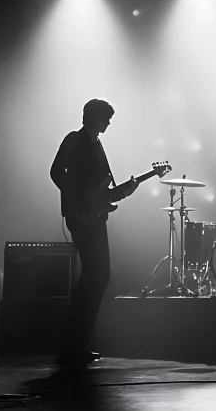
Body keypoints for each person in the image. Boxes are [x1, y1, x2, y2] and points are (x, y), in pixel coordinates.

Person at [50, 98, 137, 367]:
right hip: (80, 216)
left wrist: (125, 191)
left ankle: (78, 343)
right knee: (94, 276)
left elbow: (103, 191)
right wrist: (80, 198)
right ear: (95, 117)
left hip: (95, 217)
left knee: (97, 277)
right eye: (106, 118)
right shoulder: (74, 139)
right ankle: (71, 345)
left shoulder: (97, 144)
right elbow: (56, 172)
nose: (109, 123)